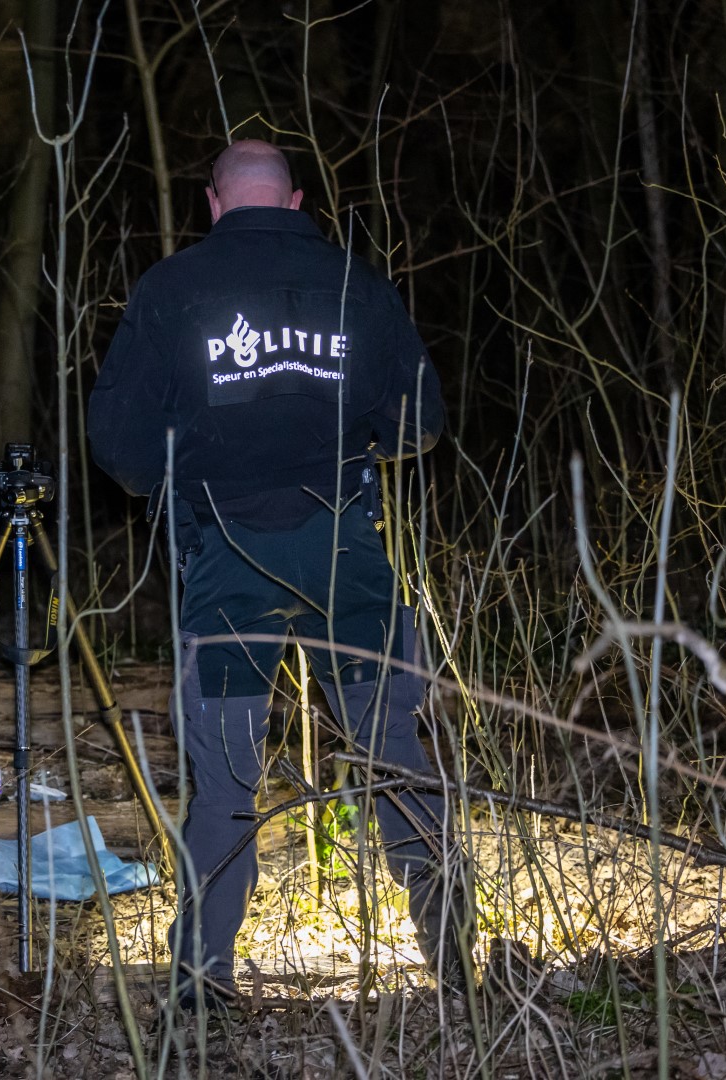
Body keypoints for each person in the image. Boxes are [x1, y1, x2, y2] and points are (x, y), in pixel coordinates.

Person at [88, 140, 471, 1004]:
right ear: (296, 202)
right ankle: (456, 959)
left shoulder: (173, 288)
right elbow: (421, 421)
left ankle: (201, 979)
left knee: (226, 776)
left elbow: (117, 439)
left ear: (214, 203)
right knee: (393, 753)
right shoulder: (356, 283)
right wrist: (358, 442)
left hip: (227, 559)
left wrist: (175, 478)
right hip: (344, 554)